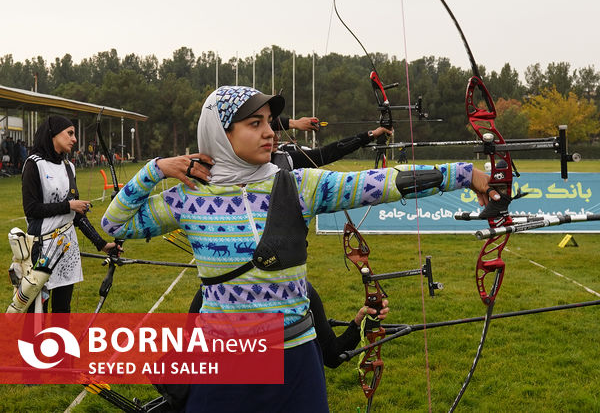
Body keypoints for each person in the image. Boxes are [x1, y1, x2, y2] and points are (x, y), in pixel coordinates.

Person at [101, 86, 496, 412]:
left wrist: (465, 174)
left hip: (296, 359)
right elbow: (113, 223)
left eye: (269, 123)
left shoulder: (297, 184)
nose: (269, 132)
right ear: (221, 134)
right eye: (254, 124)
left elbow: (377, 182)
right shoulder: (188, 196)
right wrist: (156, 169)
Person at [21, 115, 120, 313]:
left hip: (67, 249)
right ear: (53, 134)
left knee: (62, 310)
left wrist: (101, 244)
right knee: (36, 314)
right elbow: (31, 209)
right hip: (42, 247)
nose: (74, 139)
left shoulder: (69, 166)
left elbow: (77, 214)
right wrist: (68, 206)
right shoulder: (34, 164)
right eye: (70, 133)